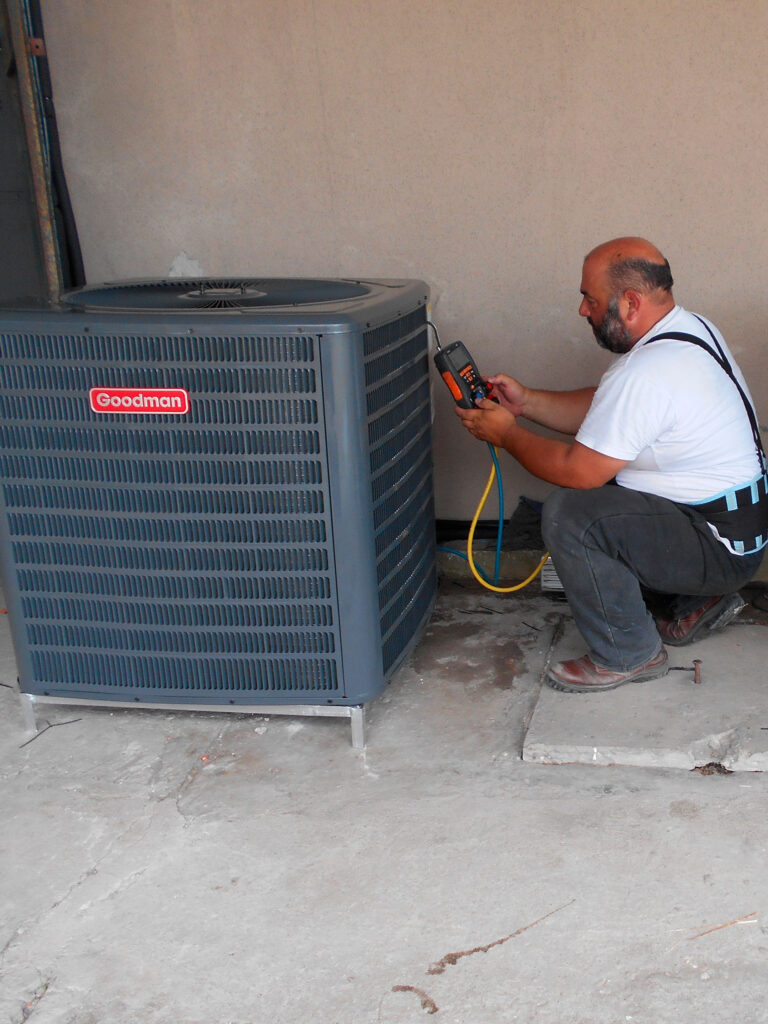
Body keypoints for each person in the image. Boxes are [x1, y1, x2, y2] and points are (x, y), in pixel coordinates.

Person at [456, 237, 768, 693]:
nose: (583, 309)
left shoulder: (648, 371)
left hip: (714, 545)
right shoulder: (687, 330)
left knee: (574, 515)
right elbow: (613, 413)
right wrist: (528, 404)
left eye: (590, 298)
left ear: (631, 302)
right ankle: (690, 604)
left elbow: (578, 470)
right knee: (615, 499)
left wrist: (506, 435)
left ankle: (629, 654)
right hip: (735, 535)